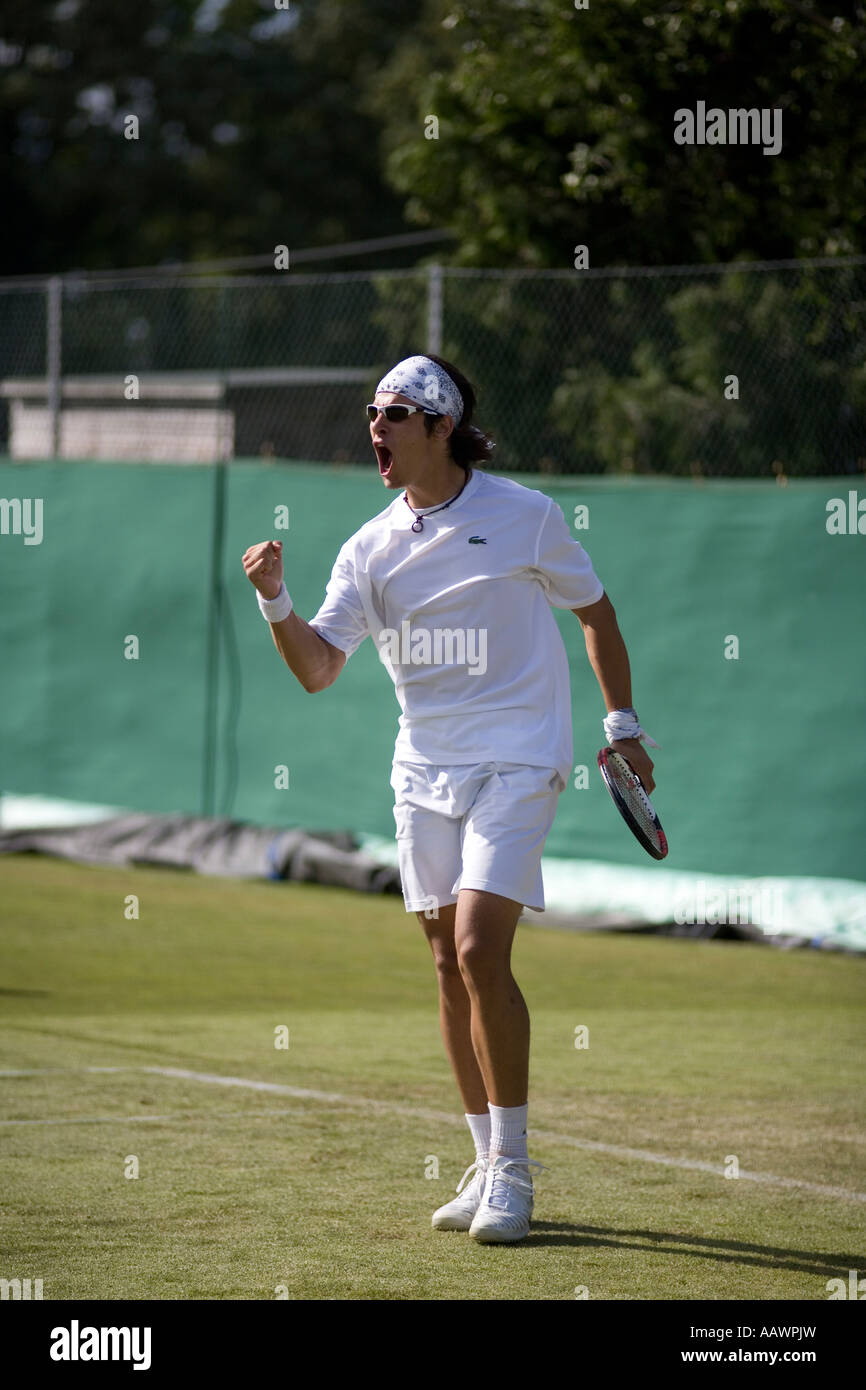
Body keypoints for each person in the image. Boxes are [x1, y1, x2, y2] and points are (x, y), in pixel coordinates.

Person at [242, 353, 657, 1243]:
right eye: (371, 412)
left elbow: (597, 613)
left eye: (393, 414)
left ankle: (514, 1170)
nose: (375, 429)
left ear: (439, 427)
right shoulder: (369, 546)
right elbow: (319, 669)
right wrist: (276, 601)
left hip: (519, 757)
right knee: (444, 962)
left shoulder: (525, 516)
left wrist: (621, 723)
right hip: (422, 769)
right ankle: (481, 1160)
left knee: (477, 946)